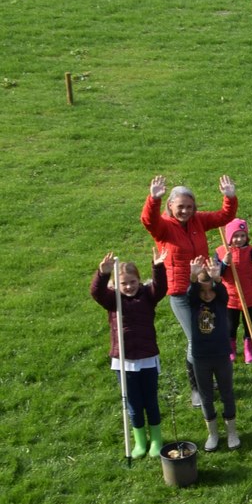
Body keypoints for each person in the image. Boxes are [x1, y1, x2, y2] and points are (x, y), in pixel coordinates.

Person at [142, 174, 238, 408]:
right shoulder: (163, 227)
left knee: (208, 332)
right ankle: (197, 387)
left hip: (204, 288)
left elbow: (225, 216)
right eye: (180, 207)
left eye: (189, 207)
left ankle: (209, 377)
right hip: (180, 292)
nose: (185, 211)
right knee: (195, 338)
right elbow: (148, 221)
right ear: (170, 206)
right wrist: (153, 200)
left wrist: (230, 197)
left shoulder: (199, 221)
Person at [91, 251, 167, 458]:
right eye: (124, 283)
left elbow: (161, 288)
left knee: (150, 401)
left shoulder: (147, 295)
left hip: (147, 357)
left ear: (139, 280)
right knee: (133, 403)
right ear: (116, 285)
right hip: (123, 361)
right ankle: (140, 441)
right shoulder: (112, 300)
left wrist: (158, 267)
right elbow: (97, 293)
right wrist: (102, 273)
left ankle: (156, 439)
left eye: (132, 282)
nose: (129, 287)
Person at [185, 256, 236, 453]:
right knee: (206, 396)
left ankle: (232, 432)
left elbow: (222, 291)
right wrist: (192, 277)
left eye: (210, 290)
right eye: (202, 291)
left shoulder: (221, 301)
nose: (207, 295)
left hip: (222, 355)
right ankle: (213, 434)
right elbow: (190, 293)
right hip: (201, 358)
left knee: (227, 393)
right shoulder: (193, 303)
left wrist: (217, 279)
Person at [213, 219, 252, 364]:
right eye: (236, 236)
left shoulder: (250, 251)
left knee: (249, 322)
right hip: (230, 296)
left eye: (242, 236)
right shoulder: (221, 251)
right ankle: (230, 348)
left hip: (248, 293)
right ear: (229, 237)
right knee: (231, 324)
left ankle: (249, 348)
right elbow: (217, 274)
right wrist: (224, 262)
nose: (239, 239)